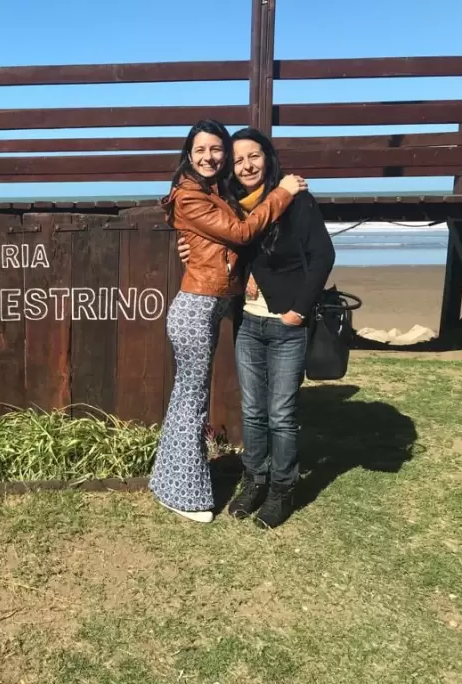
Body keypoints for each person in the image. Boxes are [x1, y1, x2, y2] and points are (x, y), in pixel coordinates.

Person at [177, 127, 335, 528]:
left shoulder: (294, 201)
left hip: (285, 323)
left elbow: (322, 256)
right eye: (240, 159)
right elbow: (223, 243)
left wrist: (299, 310)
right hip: (248, 323)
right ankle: (254, 480)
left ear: (268, 158)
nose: (247, 165)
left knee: (281, 413)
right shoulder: (233, 204)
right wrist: (188, 248)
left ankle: (282, 488)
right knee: (253, 412)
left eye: (255, 156)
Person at [150, 119, 306, 524]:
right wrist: (283, 193)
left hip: (211, 302)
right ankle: (185, 494)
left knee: (187, 397)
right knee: (192, 400)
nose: (210, 157)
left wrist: (191, 244)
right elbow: (239, 232)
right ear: (188, 153)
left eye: (217, 150)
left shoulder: (214, 189)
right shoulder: (191, 195)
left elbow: (214, 237)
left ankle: (168, 481)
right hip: (195, 308)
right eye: (201, 150)